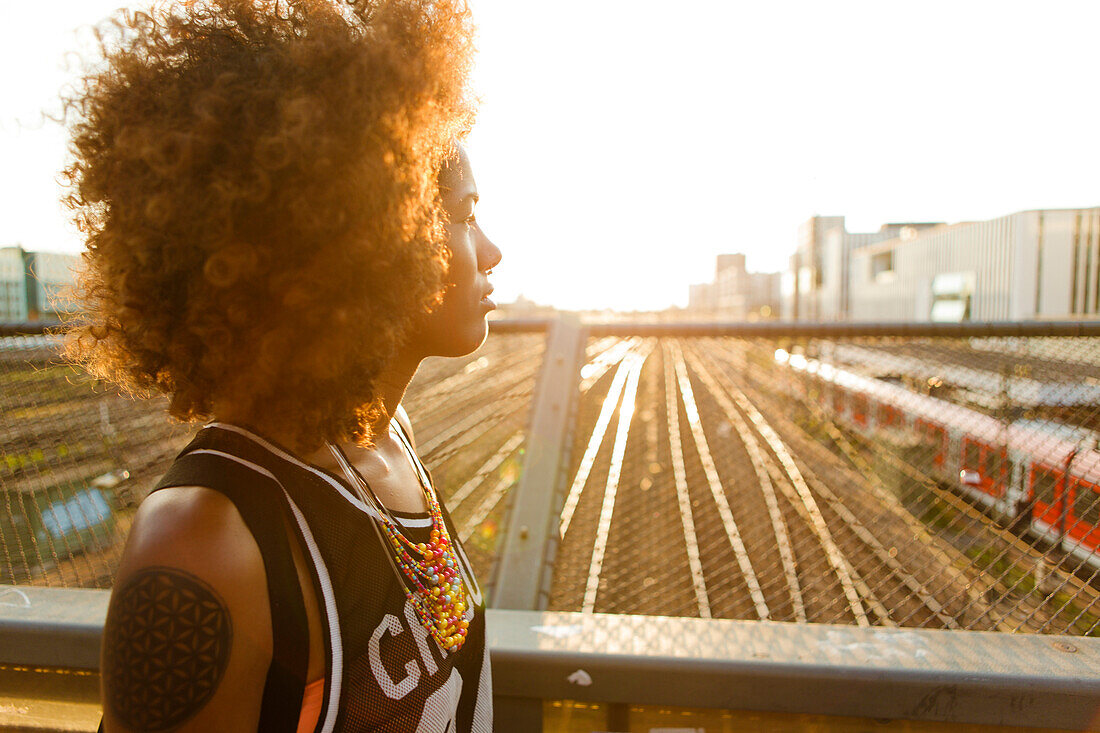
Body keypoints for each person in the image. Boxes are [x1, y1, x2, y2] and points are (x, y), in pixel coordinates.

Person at [62, 1, 499, 730]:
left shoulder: (389, 444)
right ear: (367, 234)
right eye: (463, 212)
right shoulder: (204, 543)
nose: (489, 248)